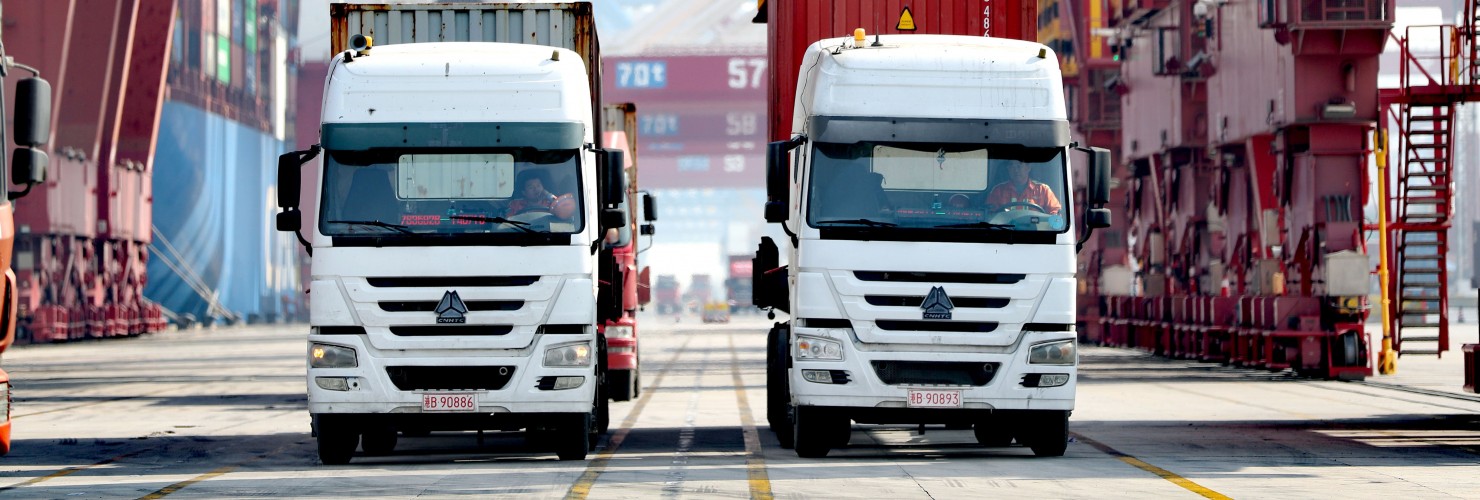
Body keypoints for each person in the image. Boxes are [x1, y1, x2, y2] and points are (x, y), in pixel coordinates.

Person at [985, 162, 1062, 215]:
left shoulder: (1043, 190)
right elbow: (989, 215)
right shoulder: (998, 191)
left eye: (1019, 165)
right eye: (1012, 166)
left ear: (1028, 168)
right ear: (1008, 169)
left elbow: (1056, 214)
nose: (1015, 170)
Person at [507, 169, 576, 219]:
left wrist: (547, 194)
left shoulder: (551, 203)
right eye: (531, 187)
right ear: (524, 192)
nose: (536, 189)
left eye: (538, 186)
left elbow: (562, 211)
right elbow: (508, 224)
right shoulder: (515, 204)